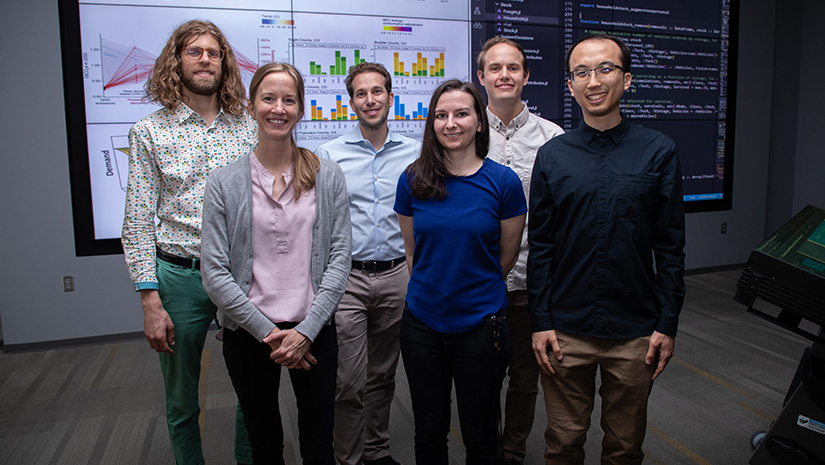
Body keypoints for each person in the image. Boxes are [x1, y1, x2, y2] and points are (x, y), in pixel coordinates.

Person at [528, 33, 686, 465]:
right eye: (581, 72)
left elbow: (670, 245)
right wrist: (540, 320)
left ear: (627, 79)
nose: (593, 81)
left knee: (624, 448)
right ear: (571, 84)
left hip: (636, 332)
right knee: (562, 445)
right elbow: (540, 245)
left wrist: (667, 322)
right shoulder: (553, 156)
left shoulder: (659, 152)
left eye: (605, 69)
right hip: (565, 330)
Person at [201, 62, 352, 465]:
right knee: (264, 442)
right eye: (268, 98)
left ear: (301, 109)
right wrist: (271, 334)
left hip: (313, 328)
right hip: (250, 333)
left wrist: (304, 332)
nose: (278, 108)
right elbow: (214, 273)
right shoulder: (223, 182)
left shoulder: (327, 175)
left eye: (289, 99)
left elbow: (339, 258)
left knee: (319, 442)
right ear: (251, 106)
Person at [121, 19, 256, 465]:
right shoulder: (149, 132)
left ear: (224, 63)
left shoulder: (249, 127)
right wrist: (150, 300)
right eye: (194, 51)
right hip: (180, 277)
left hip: (242, 276)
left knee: (251, 390)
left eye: (213, 53)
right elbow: (138, 221)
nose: (205, 60)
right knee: (182, 400)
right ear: (176, 60)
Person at [394, 79, 526, 465]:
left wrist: (468, 287)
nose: (451, 123)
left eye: (462, 113)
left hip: (482, 326)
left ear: (479, 122)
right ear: (432, 123)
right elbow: (413, 252)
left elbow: (506, 258)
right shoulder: (412, 179)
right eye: (441, 115)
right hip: (422, 325)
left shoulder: (504, 182)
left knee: (482, 435)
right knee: (429, 433)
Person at [316, 62, 419, 465]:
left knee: (383, 374)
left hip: (398, 275)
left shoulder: (415, 152)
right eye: (361, 93)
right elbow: (320, 222)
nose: (370, 100)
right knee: (348, 379)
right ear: (351, 102)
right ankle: (349, 457)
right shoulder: (329, 155)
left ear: (391, 98)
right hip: (348, 279)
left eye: (378, 92)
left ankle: (376, 452)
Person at [476, 36, 564, 465]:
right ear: (482, 77)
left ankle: (512, 453)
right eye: (495, 68)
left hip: (533, 285)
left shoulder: (554, 138)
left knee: (526, 381)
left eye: (513, 68)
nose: (504, 75)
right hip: (480, 285)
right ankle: (487, 451)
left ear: (526, 76)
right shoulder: (464, 134)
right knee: (483, 379)